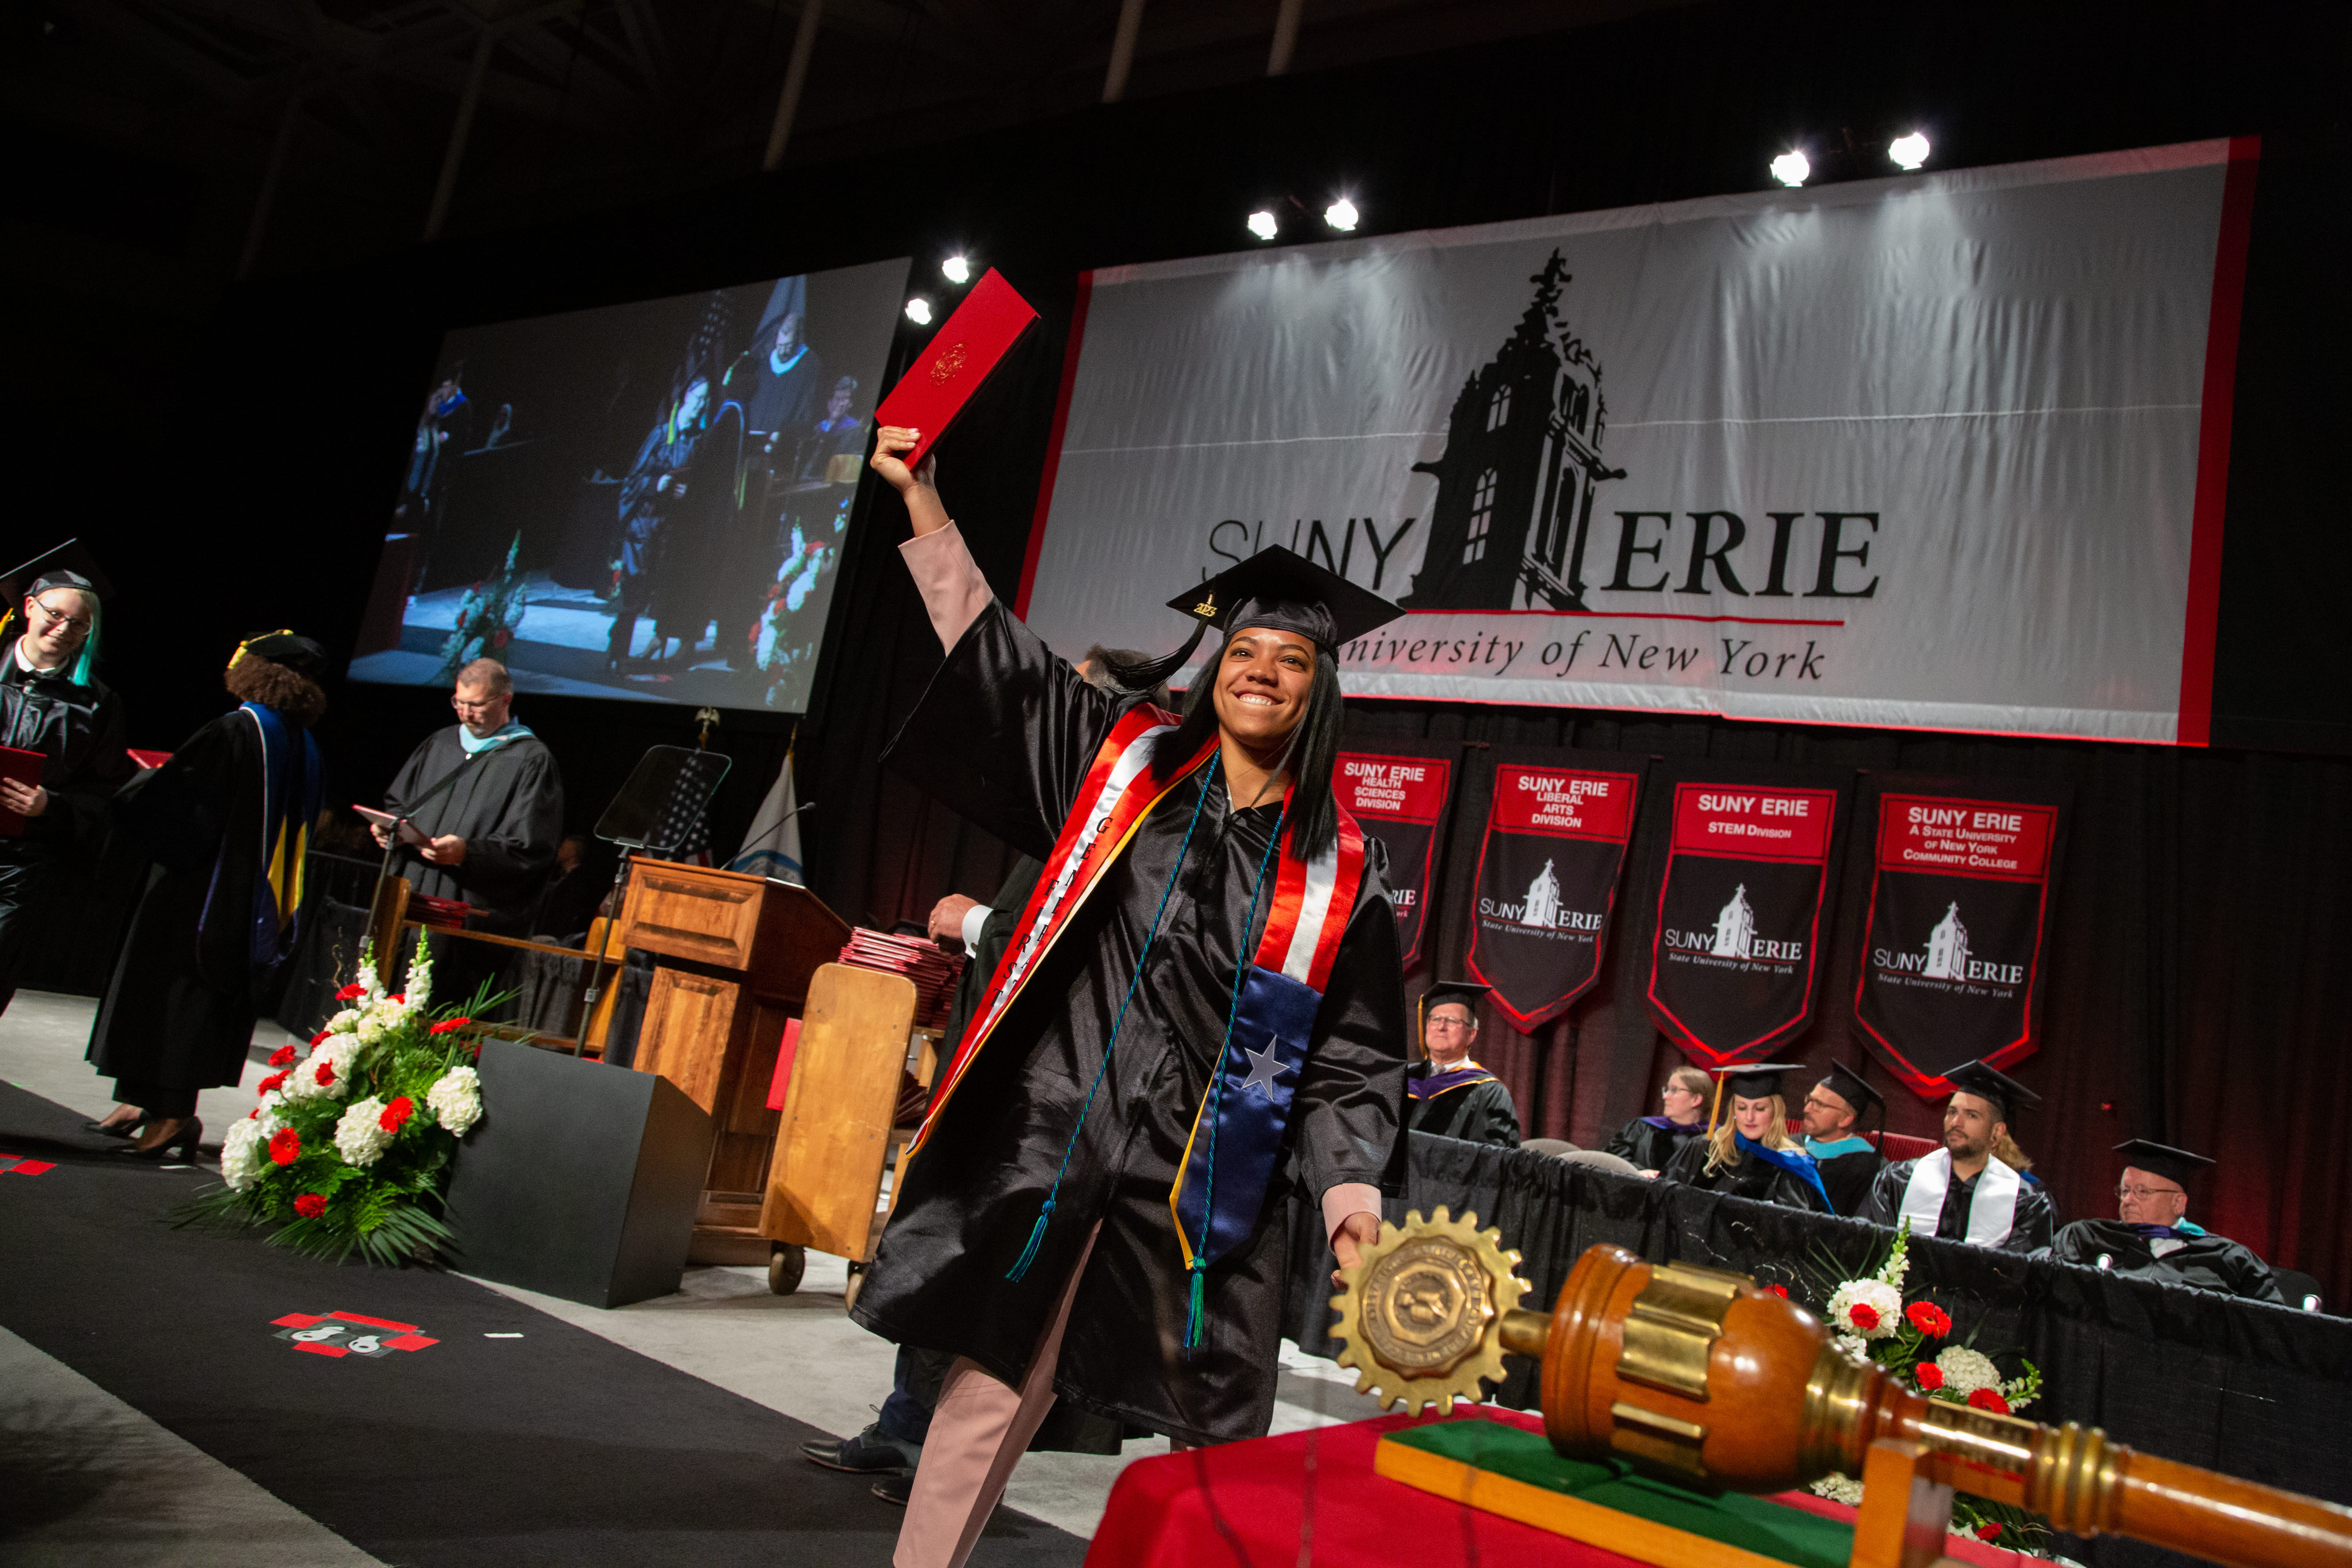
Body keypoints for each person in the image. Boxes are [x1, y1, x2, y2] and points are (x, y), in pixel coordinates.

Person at [855, 425, 1409, 1568]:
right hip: (1058, 1141)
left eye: (1290, 659)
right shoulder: (1127, 774)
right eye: (1243, 650)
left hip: (1209, 1181)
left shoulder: (1341, 879)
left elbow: (1353, 1058)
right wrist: (925, 504)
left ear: (1320, 692)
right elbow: (999, 663)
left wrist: (1352, 1197)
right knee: (987, 1390)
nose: (1260, 669)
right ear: (1215, 669)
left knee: (1211, 1442)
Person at [806, 649, 1161, 1507]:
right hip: (1003, 1081)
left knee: (980, 1266)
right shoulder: (1079, 812)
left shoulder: (1128, 818)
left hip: (1045, 1094)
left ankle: (936, 1451)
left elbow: (1069, 949)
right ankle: (905, 1430)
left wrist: (976, 922)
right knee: (945, 1250)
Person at [84, 633, 326, 1158]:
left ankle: (170, 1113)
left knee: (171, 993)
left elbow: (182, 804)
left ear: (256, 671)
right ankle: (140, 1100)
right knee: (193, 996)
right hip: (249, 897)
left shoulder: (238, 730)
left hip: (199, 891)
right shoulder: (300, 742)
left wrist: (142, 786)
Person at [374, 658, 564, 1005]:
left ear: (506, 700)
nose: (465, 714)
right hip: (410, 894)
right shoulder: (440, 743)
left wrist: (467, 853)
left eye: (476, 705)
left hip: (461, 911)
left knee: (437, 1006)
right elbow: (399, 804)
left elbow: (530, 850)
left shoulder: (530, 760)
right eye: (459, 703)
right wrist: (390, 829)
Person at [0, 551, 133, 1020]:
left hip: (19, 867)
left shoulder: (96, 705)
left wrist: (50, 806)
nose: (64, 630)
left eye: (79, 626)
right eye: (56, 615)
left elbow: (103, 794)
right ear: (29, 607)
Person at [2050, 1140, 2285, 1302]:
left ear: (2179, 1204)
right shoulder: (2086, 1238)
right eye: (2124, 1190)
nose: (2128, 1200)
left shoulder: (2230, 1260)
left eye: (2142, 1192)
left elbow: (2272, 1326)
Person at [1861, 1060, 2057, 1253]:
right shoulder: (1898, 1180)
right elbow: (1867, 1248)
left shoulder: (2024, 1201)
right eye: (1952, 1112)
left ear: (1997, 1132)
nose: (1956, 1122)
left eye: (1972, 1115)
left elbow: (2021, 1273)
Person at [1659, 1063, 1832, 1212]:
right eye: (1742, 1108)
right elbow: (1662, 1198)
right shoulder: (1705, 1148)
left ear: (1776, 1112)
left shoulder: (1793, 1164)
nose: (1749, 1118)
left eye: (1760, 1109)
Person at [1405, 980, 1521, 1147]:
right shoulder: (1403, 1077)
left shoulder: (1489, 1091)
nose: (1441, 1027)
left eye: (1452, 1021)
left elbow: (1494, 1159)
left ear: (1472, 1034)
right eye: (1435, 1019)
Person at [1802, 1060, 1886, 1217]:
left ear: (1846, 1119)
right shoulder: (1791, 1146)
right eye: (1809, 1100)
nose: (1807, 1109)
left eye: (1819, 1104)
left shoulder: (1869, 1168)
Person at [1605, 1064, 1711, 1176]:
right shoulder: (1643, 1128)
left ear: (1696, 1099)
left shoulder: (1714, 1140)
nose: (1665, 1097)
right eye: (1667, 1090)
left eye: (1674, 1090)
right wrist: (1638, 1172)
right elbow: (1612, 1159)